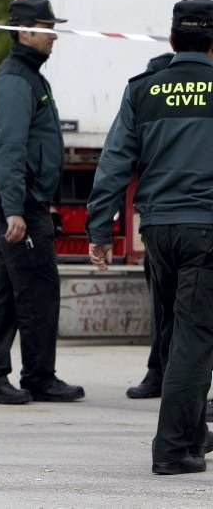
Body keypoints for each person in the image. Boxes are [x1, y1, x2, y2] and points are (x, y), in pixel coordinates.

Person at [87, 0, 213, 475]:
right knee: (194, 338)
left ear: (173, 40)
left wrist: (100, 228)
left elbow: (114, 162)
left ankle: (193, 432)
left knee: (179, 331)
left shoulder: (143, 90)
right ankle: (173, 448)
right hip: (206, 228)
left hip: (158, 231)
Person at [0, 0, 85, 405]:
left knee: (4, 291)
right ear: (23, 31)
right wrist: (15, 209)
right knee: (38, 288)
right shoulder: (18, 80)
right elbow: (9, 148)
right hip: (16, 204)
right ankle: (39, 377)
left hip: (19, 200)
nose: (54, 35)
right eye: (46, 27)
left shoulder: (28, 76)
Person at [124, 52, 174, 401]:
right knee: (163, 309)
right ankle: (159, 373)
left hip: (170, 225)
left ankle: (166, 378)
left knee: (175, 312)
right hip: (159, 224)